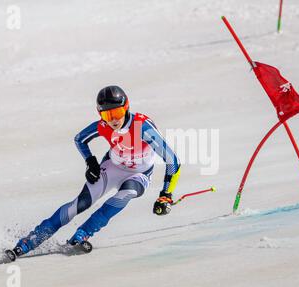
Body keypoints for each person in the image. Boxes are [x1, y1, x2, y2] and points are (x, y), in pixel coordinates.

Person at [10, 85, 181, 258]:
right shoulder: (102, 126)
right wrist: (90, 162)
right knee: (80, 204)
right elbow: (80, 140)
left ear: (127, 107)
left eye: (117, 113)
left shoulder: (142, 127)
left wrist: (166, 194)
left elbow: (173, 161)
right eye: (107, 115)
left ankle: (82, 233)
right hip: (113, 166)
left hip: (139, 174)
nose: (113, 120)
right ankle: (28, 241)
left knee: (127, 192)